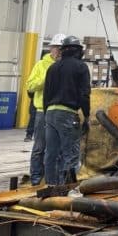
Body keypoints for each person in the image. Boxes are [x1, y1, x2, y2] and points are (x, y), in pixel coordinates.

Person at [43, 35, 91, 185]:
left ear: (63, 50)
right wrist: (87, 116)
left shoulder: (52, 67)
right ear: (78, 51)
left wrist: (47, 114)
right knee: (70, 153)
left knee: (51, 153)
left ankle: (50, 185)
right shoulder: (81, 67)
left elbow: (46, 94)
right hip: (67, 114)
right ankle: (68, 187)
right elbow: (84, 94)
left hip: (50, 113)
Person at [26, 33, 66, 186]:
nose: (59, 52)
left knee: (57, 149)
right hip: (43, 112)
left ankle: (54, 178)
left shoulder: (66, 66)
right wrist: (47, 77)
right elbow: (30, 85)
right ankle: (36, 178)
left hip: (59, 111)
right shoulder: (41, 65)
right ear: (51, 48)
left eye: (62, 49)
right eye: (57, 48)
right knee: (39, 147)